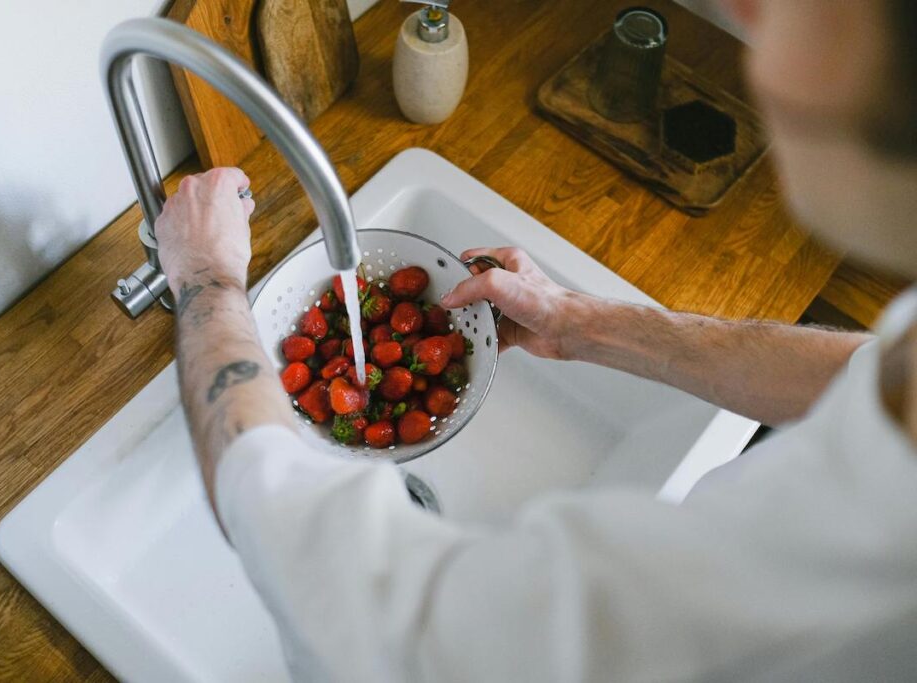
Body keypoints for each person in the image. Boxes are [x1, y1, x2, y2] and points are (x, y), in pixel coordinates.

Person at [153, 0, 917, 680]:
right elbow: (869, 373)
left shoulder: (848, 571)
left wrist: (208, 279)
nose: (743, 8)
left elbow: (370, 619)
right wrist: (582, 322)